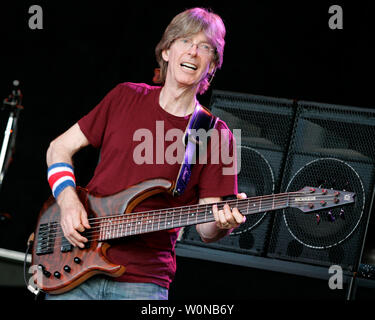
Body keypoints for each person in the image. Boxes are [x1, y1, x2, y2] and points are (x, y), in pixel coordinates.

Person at [45, 7, 246, 300]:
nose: (193, 52)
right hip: (76, 266)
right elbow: (58, 148)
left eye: (205, 47)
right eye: (185, 41)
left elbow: (206, 228)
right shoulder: (124, 96)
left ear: (212, 66)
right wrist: (67, 202)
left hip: (143, 281)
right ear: (166, 51)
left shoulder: (216, 134)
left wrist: (222, 225)